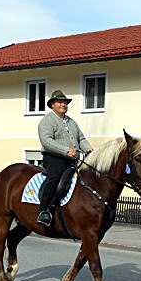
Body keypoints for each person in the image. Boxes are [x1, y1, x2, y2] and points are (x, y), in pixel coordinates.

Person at [36, 90, 93, 226]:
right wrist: (65, 150)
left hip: (73, 158)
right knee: (55, 177)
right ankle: (43, 210)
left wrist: (88, 148)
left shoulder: (71, 122)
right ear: (52, 105)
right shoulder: (47, 121)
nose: (64, 104)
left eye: (65, 102)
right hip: (54, 157)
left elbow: (81, 138)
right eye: (60, 102)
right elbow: (46, 141)